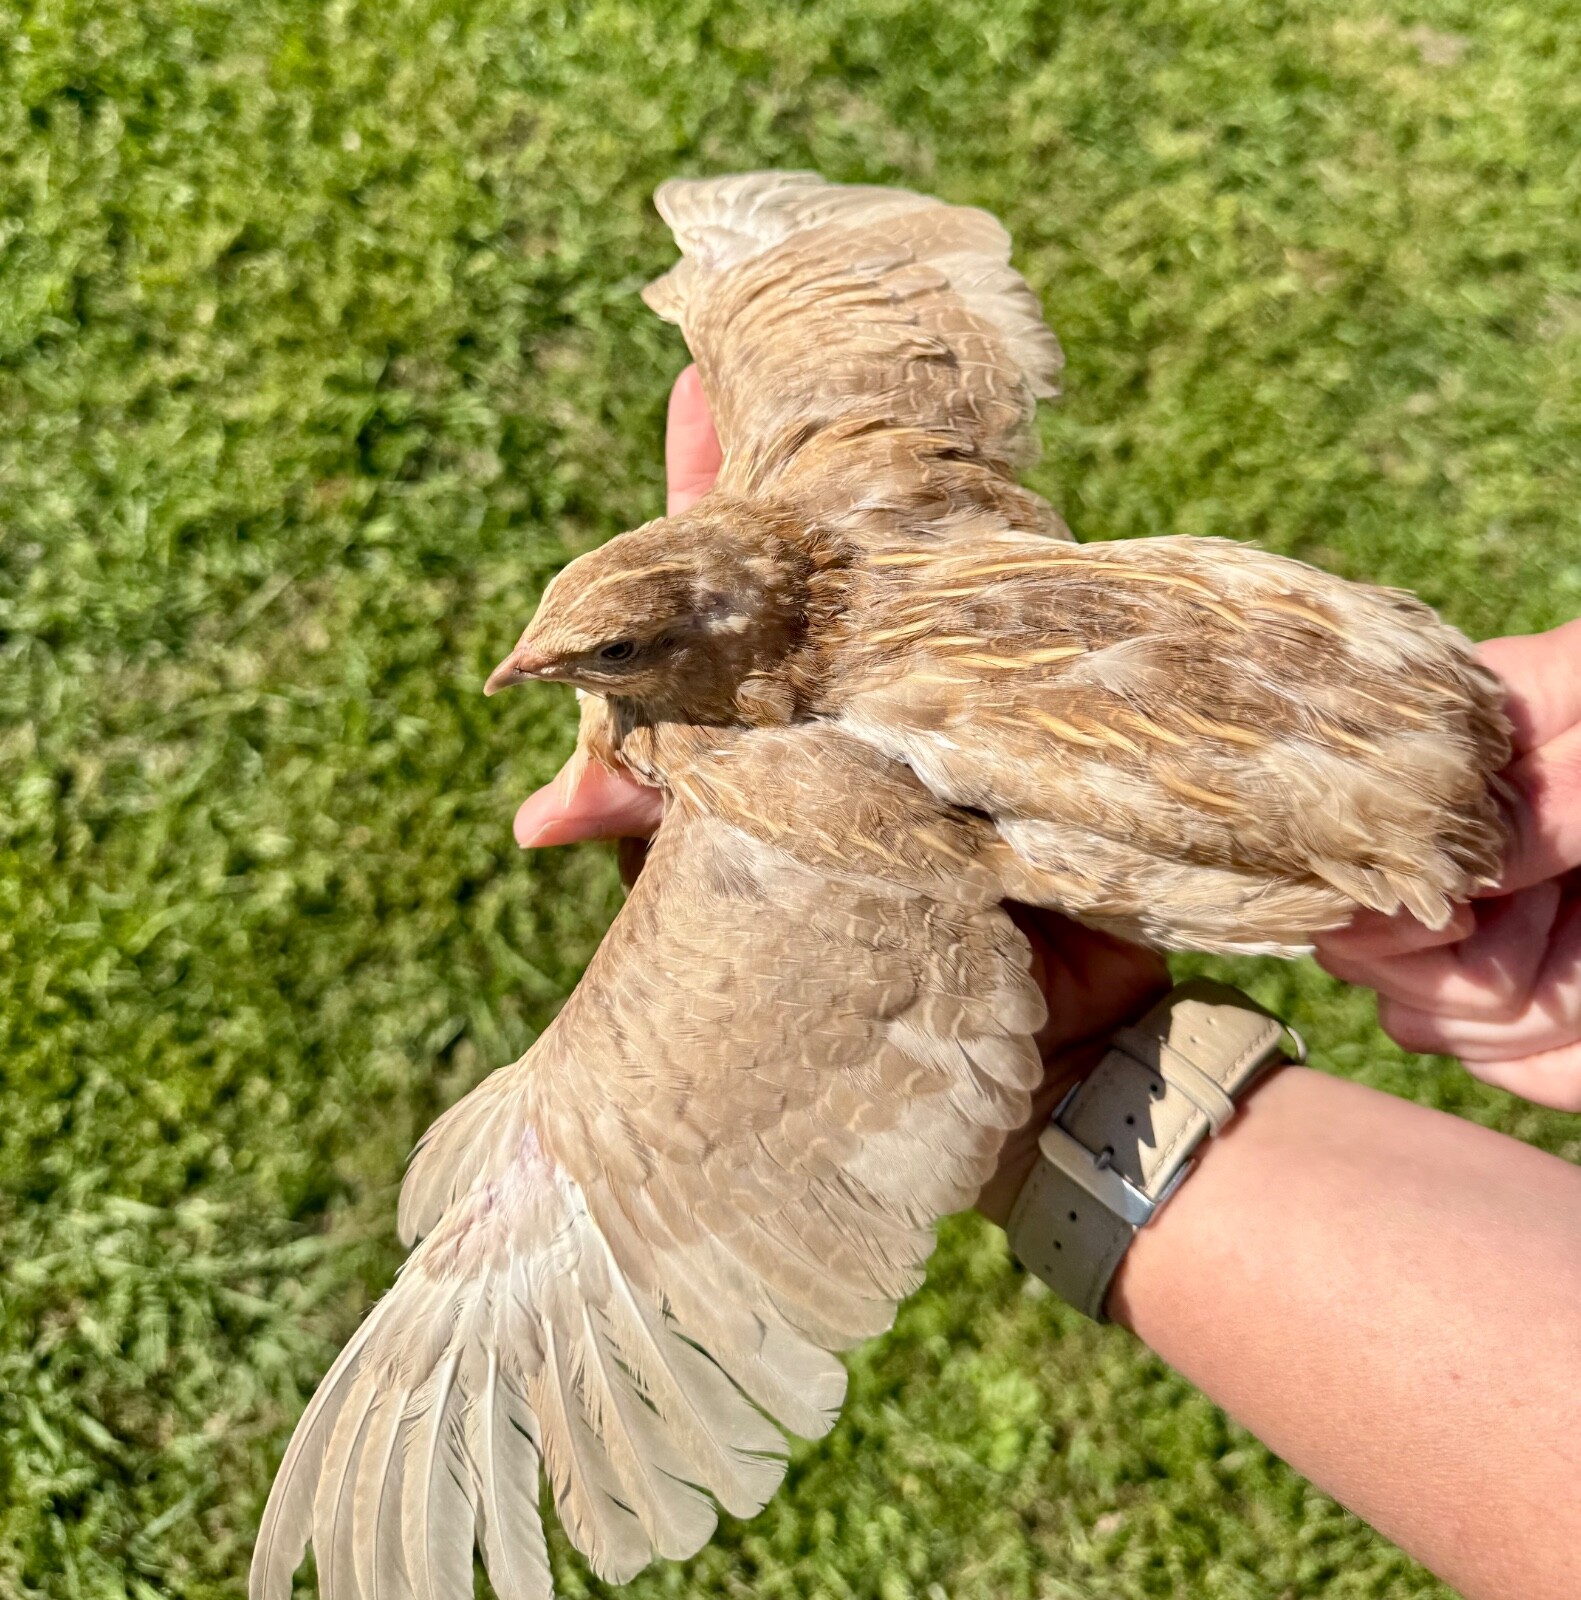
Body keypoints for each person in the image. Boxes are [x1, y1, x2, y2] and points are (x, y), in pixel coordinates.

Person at [513, 367, 1581, 1600]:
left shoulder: (781, 799)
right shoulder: (803, 643)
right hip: (1323, 678)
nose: (540, 672)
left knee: (569, 1134)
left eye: (605, 655)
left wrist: (1080, 1082)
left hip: (1327, 758)